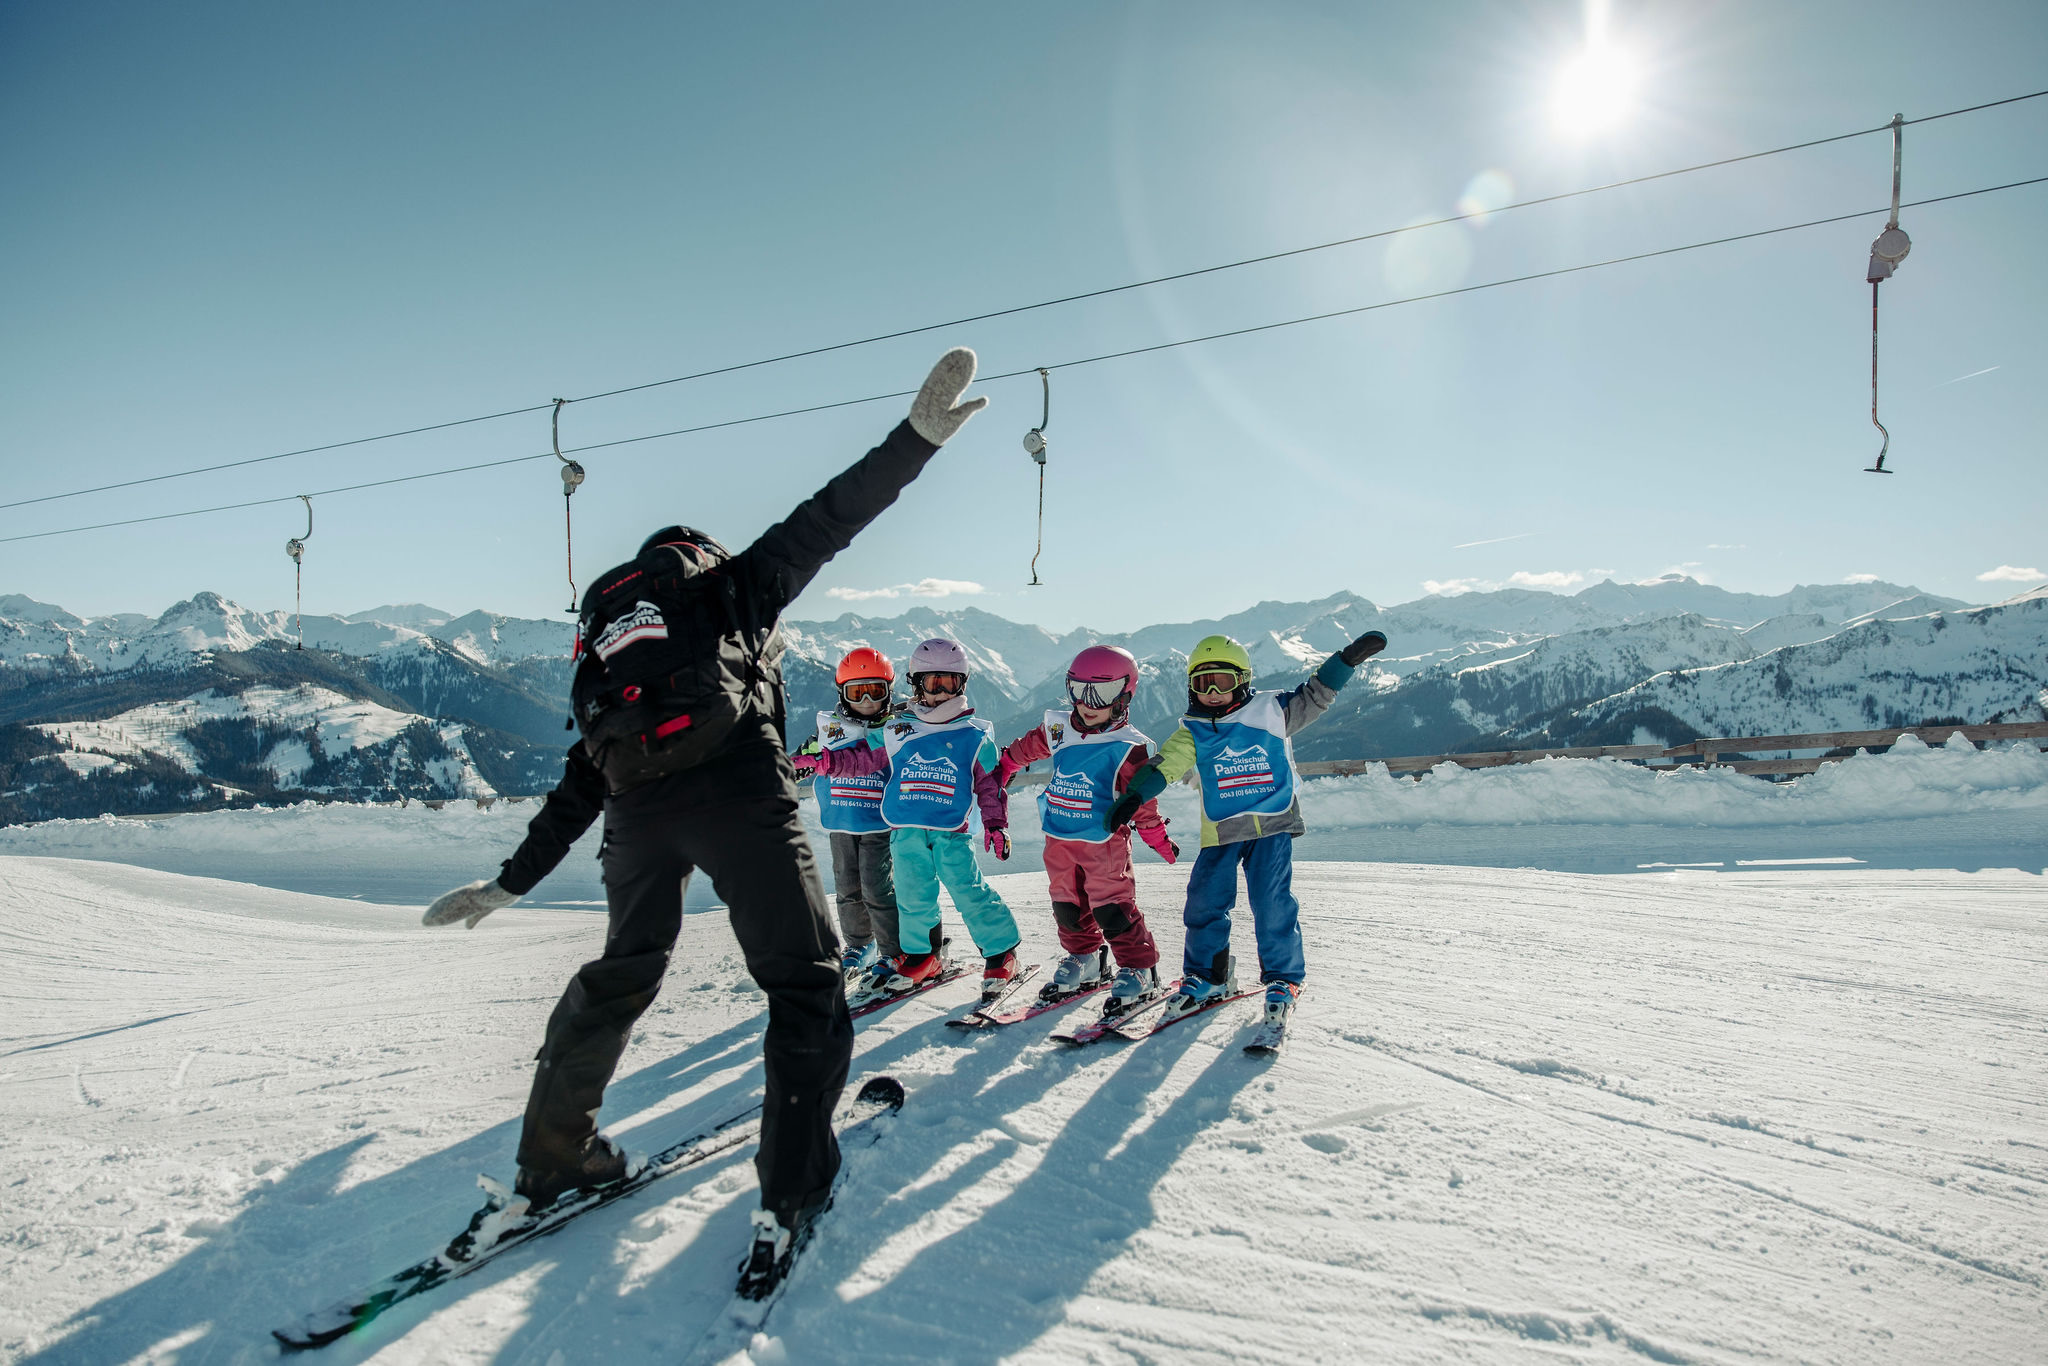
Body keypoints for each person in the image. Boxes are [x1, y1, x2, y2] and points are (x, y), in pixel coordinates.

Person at [419, 348, 991, 1289]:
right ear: (701, 556)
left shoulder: (610, 643)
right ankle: (791, 1191)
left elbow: (581, 775)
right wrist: (917, 439)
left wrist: (508, 883)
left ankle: (553, 1161)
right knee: (805, 983)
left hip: (635, 815)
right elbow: (829, 519)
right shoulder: (726, 588)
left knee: (621, 973)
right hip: (737, 794)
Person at [1105, 629, 1387, 1035]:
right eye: (1204, 683)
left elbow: (1315, 695)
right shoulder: (1193, 731)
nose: (1214, 692)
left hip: (1272, 825)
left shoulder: (1272, 711)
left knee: (1271, 903)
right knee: (1203, 902)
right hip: (1222, 830)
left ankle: (1282, 977)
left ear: (1243, 680)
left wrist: (1346, 660)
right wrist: (1133, 798)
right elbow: (1162, 767)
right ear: (1190, 687)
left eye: (1223, 680)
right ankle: (1208, 974)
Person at [793, 637, 1022, 1003]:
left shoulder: (974, 736)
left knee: (968, 891)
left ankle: (1001, 952)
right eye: (932, 683)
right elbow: (862, 759)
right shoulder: (899, 729)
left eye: (950, 683)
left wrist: (996, 825)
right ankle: (921, 955)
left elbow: (990, 786)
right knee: (913, 897)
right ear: (916, 684)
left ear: (962, 684)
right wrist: (824, 763)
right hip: (906, 831)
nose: (941, 693)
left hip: (951, 831)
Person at [995, 645, 1177, 1018]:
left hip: (1103, 844)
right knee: (1068, 906)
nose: (1087, 702)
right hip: (1059, 839)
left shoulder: (1130, 747)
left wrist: (1156, 838)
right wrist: (1003, 768)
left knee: (1112, 908)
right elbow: (1026, 748)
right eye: (1077, 690)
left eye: (1102, 693)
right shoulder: (1059, 728)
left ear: (1125, 694)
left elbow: (1143, 802)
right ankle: (1085, 958)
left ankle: (1140, 968)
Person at [797, 646, 902, 977]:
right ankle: (859, 943)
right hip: (843, 820)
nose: (868, 699)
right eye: (858, 692)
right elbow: (808, 754)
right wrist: (793, 767)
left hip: (879, 821)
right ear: (843, 692)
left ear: (889, 690)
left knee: (877, 885)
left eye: (876, 690)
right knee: (847, 885)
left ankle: (893, 949)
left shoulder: (895, 729)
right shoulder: (830, 728)